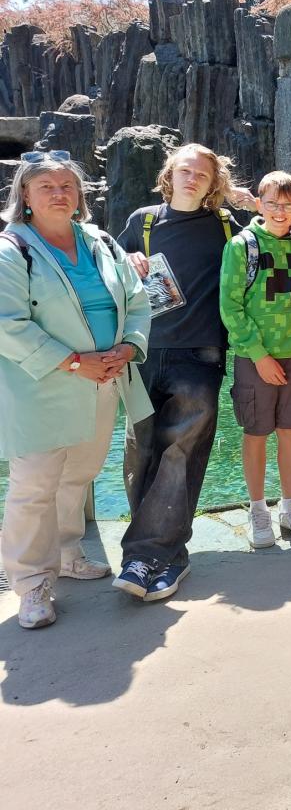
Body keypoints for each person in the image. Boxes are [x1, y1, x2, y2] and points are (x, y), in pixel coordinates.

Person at [0, 152, 152, 629]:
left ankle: (67, 554)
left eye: (67, 185)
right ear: (25, 195)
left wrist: (128, 347)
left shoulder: (100, 241)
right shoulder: (11, 249)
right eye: (46, 186)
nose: (59, 194)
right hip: (41, 386)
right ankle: (31, 583)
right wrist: (72, 361)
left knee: (80, 472)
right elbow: (7, 324)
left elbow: (137, 299)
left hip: (104, 378)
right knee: (34, 484)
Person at [114, 143, 252, 600]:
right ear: (169, 174)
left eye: (202, 174)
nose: (192, 179)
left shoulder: (227, 225)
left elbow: (274, 239)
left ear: (214, 183)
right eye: (185, 171)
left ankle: (144, 557)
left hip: (200, 352)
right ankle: (168, 555)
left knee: (180, 452)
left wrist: (256, 205)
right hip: (143, 352)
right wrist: (125, 262)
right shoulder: (142, 221)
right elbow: (109, 272)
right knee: (141, 454)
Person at [219, 170, 291, 548]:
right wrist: (259, 355)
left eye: (287, 205)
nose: (279, 211)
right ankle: (258, 508)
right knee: (256, 432)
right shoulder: (241, 246)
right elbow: (230, 306)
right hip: (254, 357)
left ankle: (290, 507)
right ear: (259, 204)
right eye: (272, 204)